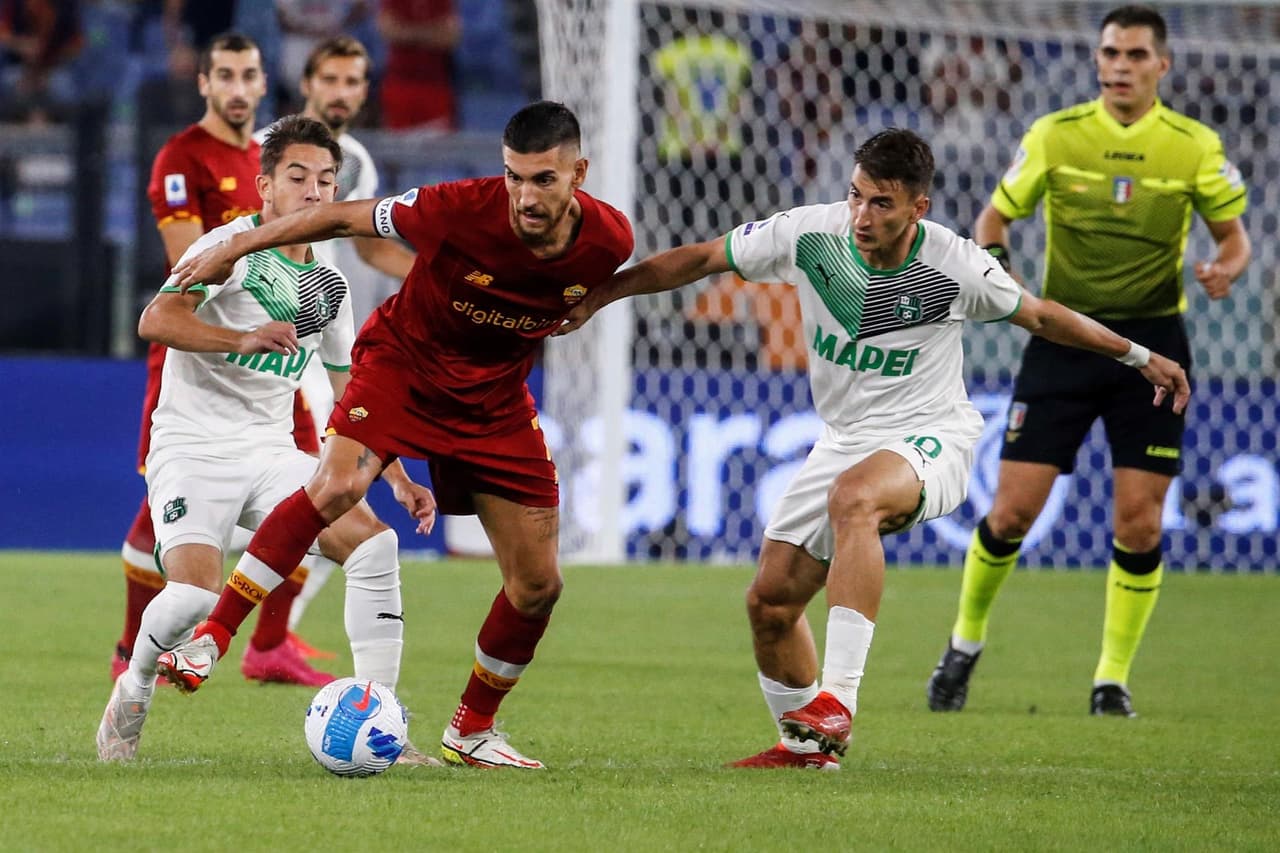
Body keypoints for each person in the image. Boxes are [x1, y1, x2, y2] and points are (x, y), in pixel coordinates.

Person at [556, 128, 1189, 770]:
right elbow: (700, 259)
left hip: (932, 435)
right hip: (844, 440)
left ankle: (838, 700)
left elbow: (1044, 317)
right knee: (770, 604)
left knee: (855, 498)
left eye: (881, 203)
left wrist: (1139, 357)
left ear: (919, 208)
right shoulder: (811, 234)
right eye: (855, 196)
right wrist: (604, 294)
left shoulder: (955, 265)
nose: (861, 215)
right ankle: (807, 750)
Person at [158, 100, 634, 770]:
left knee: (538, 584)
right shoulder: (455, 206)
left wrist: (598, 299)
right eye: (513, 177)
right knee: (337, 483)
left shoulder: (611, 240)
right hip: (405, 362)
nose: (524, 196)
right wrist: (234, 245)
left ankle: (470, 730)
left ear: (578, 173)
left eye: (543, 181)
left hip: (493, 400)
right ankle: (213, 635)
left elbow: (668, 268)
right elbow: (344, 217)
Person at [925, 5, 1251, 719]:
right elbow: (992, 220)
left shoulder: (1194, 147)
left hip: (1157, 348)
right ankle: (963, 644)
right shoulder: (1055, 136)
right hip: (1065, 339)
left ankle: (1111, 680)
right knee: (1011, 512)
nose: (1119, 66)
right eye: (1110, 53)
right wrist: (1004, 275)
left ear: (1162, 65)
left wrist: (1226, 268)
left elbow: (1235, 239)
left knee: (1138, 523)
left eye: (1135, 55)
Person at [96, 115, 437, 762]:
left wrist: (394, 473)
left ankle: (382, 723)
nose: (314, 191)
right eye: (298, 177)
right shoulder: (231, 246)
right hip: (192, 446)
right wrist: (240, 337)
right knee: (193, 596)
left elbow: (350, 391)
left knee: (374, 546)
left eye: (326, 180)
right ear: (266, 188)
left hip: (272, 451)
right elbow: (156, 318)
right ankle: (134, 687)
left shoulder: (328, 287)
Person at [119, 32, 337, 689]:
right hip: (203, 349)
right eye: (227, 76)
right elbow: (194, 261)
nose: (239, 88)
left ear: (264, 82)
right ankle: (132, 646)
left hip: (274, 359)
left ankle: (268, 640)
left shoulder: (271, 160)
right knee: (164, 509)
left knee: (309, 494)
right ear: (205, 84)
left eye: (250, 75)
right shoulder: (182, 157)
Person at [259, 34, 417, 643]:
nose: (342, 93)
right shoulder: (272, 151)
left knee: (337, 488)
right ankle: (262, 634)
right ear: (308, 84)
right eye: (331, 80)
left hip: (328, 341)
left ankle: (273, 634)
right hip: (278, 340)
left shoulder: (354, 160)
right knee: (333, 488)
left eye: (354, 83)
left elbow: (368, 244)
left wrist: (440, 279)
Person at [376, 0, 460, 131]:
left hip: (435, 85)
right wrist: (431, 33)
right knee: (396, 145)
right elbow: (389, 31)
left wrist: (407, 33)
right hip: (400, 83)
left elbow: (449, 37)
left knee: (439, 146)